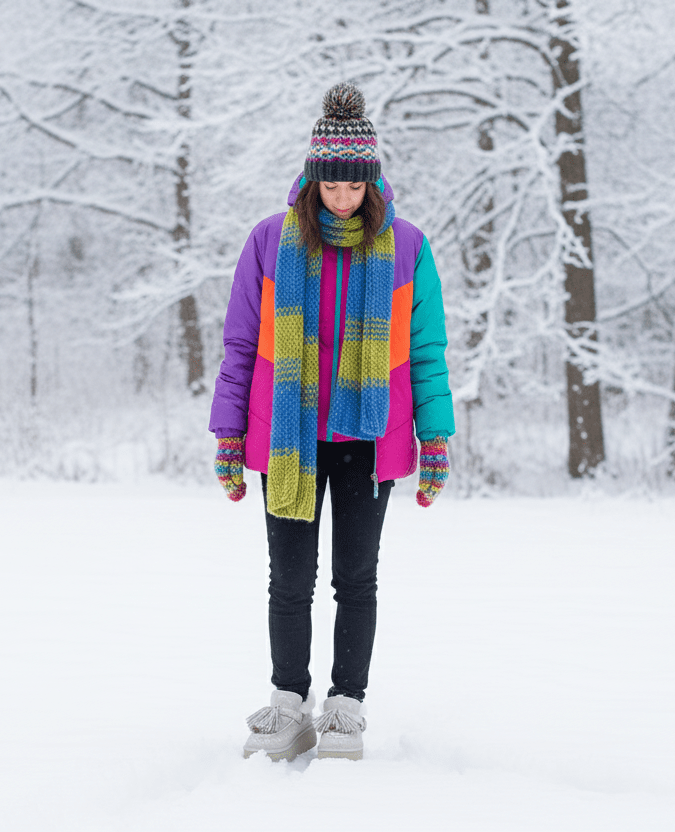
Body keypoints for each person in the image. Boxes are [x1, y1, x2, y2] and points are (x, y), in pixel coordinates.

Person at [208, 82, 454, 762]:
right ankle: (289, 707)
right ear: (313, 179)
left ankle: (346, 708)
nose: (341, 198)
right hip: (289, 437)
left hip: (369, 442)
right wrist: (229, 434)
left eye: (354, 188)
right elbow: (240, 346)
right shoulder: (269, 242)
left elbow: (427, 350)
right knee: (288, 579)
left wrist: (434, 437)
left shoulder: (406, 247)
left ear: (371, 183)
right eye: (331, 187)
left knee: (356, 577)